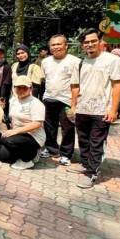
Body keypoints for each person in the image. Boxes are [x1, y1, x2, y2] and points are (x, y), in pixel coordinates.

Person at [69, 28, 120, 189]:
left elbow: (117, 86)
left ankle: (92, 172)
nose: (90, 44)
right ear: (82, 45)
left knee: (96, 142)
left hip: (101, 110)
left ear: (100, 42)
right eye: (86, 42)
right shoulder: (80, 63)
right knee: (83, 140)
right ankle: (87, 164)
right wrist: (73, 107)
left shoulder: (112, 60)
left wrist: (113, 110)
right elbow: (75, 86)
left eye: (93, 41)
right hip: (82, 109)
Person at [40, 34, 81, 165]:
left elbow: (77, 85)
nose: (56, 47)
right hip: (49, 98)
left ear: (66, 45)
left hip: (66, 101)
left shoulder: (75, 61)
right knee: (49, 127)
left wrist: (74, 105)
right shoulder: (45, 62)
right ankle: (52, 149)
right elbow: (43, 81)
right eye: (53, 45)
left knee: (67, 128)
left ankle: (66, 154)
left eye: (59, 44)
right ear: (49, 47)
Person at [0, 75, 46, 170]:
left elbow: (37, 124)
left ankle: (31, 156)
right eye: (18, 87)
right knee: (3, 157)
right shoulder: (13, 100)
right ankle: (24, 154)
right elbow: (13, 118)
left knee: (7, 140)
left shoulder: (36, 103)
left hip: (33, 136)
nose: (21, 90)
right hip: (19, 135)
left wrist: (15, 131)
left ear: (31, 88)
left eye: (25, 88)